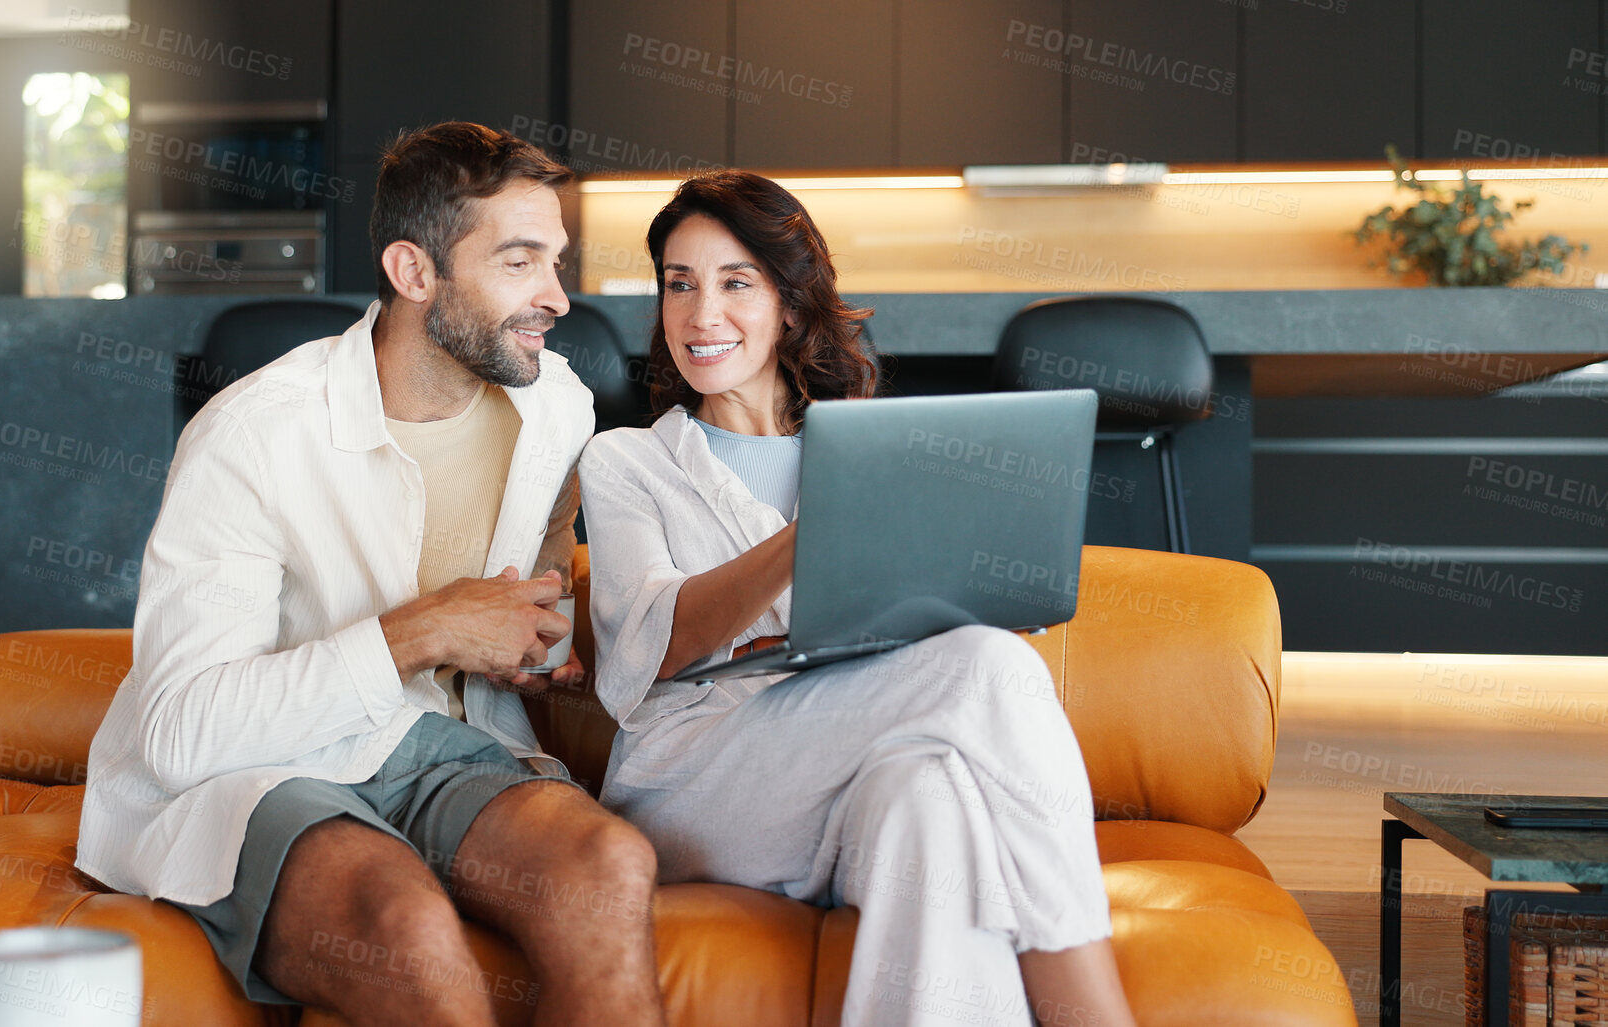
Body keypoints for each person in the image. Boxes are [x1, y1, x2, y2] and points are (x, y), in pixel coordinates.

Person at [78, 122, 667, 1027]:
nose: (557, 296)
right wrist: (427, 629)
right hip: (265, 765)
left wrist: (532, 651)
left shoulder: (557, 406)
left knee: (608, 864)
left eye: (558, 260)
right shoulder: (252, 434)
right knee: (401, 921)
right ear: (413, 271)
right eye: (519, 262)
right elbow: (179, 733)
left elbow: (536, 577)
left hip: (448, 752)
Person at [577, 170, 1137, 1027]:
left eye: (735, 284)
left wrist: (965, 592)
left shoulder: (873, 450)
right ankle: (1093, 1011)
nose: (699, 314)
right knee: (989, 664)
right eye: (678, 285)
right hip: (695, 773)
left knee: (931, 799)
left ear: (789, 308)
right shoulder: (627, 462)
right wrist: (810, 534)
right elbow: (652, 644)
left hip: (854, 763)